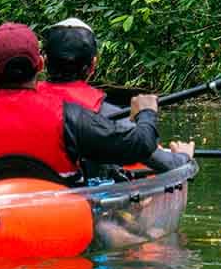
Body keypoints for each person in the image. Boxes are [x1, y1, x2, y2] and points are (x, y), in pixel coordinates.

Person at [0, 22, 162, 199]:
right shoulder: (69, 116)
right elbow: (140, 145)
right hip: (60, 229)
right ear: (40, 65)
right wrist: (146, 112)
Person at [39, 17, 195, 171]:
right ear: (93, 65)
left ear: (44, 62)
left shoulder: (22, 105)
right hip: (85, 193)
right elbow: (165, 162)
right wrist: (183, 156)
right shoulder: (111, 116)